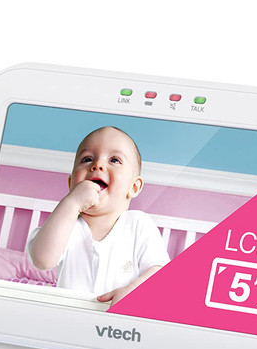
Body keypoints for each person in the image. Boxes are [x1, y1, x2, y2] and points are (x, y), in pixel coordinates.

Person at [27, 126, 169, 305]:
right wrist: (71, 202)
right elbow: (42, 260)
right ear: (72, 184)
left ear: (134, 187)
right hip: (69, 318)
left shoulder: (138, 224)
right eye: (87, 159)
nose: (97, 165)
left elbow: (160, 272)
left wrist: (133, 290)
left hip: (117, 319)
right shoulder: (67, 225)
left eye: (114, 160)